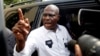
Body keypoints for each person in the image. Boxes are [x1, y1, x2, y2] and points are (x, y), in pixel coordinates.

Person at [12, 4, 82, 56]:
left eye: (51, 15)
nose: (47, 18)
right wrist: (21, 41)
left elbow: (70, 43)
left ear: (58, 17)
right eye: (44, 15)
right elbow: (23, 54)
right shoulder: (35, 34)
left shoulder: (63, 29)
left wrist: (76, 45)